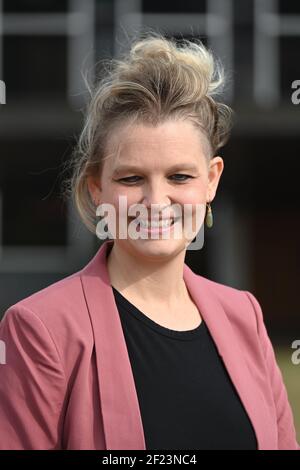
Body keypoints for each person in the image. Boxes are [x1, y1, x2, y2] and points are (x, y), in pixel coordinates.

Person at [0, 32, 299, 450]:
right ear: (96, 188)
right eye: (131, 178)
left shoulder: (244, 316)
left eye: (179, 176)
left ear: (211, 179)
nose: (156, 202)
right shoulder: (40, 328)